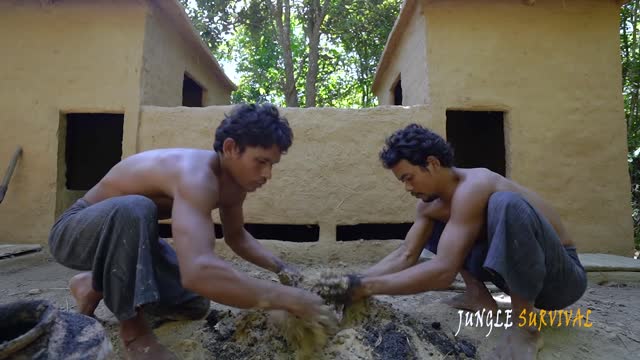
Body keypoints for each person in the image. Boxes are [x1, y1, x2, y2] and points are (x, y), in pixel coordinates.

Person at [48, 104, 337, 359]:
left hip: (134, 242)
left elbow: (236, 238)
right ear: (230, 148)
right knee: (136, 207)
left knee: (194, 304)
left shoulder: (234, 186)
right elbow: (198, 271)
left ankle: (93, 284)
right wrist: (287, 297)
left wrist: (282, 268)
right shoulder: (195, 176)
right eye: (260, 161)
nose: (267, 175)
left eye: (272, 165)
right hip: (75, 231)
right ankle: (134, 333)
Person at [338, 124, 587, 359]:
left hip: (561, 279)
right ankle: (477, 296)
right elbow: (406, 254)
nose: (406, 187)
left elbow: (443, 272)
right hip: (514, 278)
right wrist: (353, 282)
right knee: (439, 221)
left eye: (408, 177)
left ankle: (525, 327)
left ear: (432, 164)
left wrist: (369, 288)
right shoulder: (431, 205)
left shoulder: (476, 184)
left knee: (505, 204)